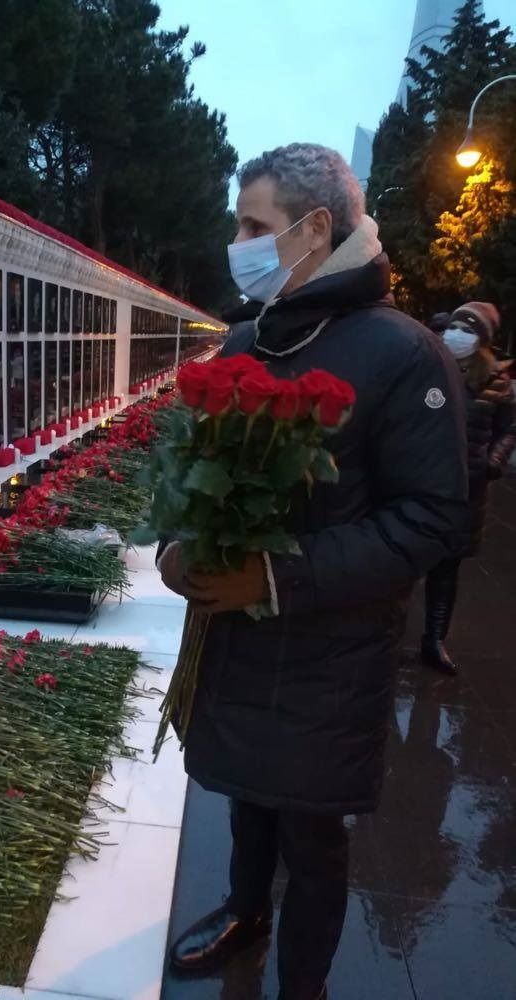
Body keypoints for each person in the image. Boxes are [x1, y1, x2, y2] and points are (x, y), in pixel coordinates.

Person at [157, 143, 468, 1000]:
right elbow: (197, 470)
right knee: (247, 793)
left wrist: (273, 578)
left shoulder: (401, 354)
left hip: (328, 649)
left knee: (311, 828)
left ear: (315, 228)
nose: (239, 241)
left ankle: (304, 983)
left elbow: (432, 518)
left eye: (254, 225)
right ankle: (244, 911)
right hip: (238, 637)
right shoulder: (251, 337)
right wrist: (181, 547)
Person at [421, 302, 516, 675]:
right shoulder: (431, 366)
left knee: (447, 567)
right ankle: (389, 635)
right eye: (455, 325)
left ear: (482, 340)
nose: (457, 334)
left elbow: (509, 429)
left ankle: (434, 640)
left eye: (468, 329)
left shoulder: (496, 381)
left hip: (468, 487)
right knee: (403, 557)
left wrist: (493, 462)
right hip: (423, 479)